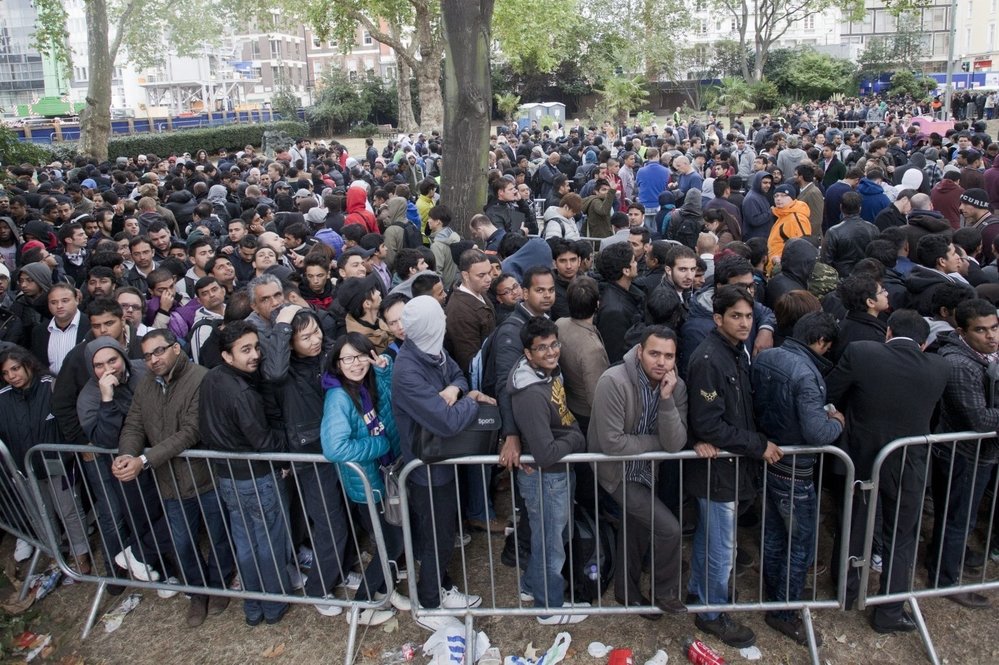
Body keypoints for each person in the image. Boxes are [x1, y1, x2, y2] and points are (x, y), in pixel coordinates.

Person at [826, 310, 949, 633]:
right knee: (902, 536)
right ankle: (890, 610)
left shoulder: (862, 353)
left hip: (862, 456)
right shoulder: (939, 367)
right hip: (909, 460)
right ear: (924, 343)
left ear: (888, 332)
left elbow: (831, 392)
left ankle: (846, 591)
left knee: (854, 523)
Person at [114, 329, 234, 628]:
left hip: (206, 477)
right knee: (182, 542)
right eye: (147, 356)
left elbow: (192, 431)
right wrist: (126, 454)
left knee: (219, 536)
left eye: (159, 351)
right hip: (170, 481)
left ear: (176, 348)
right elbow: (133, 425)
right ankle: (198, 592)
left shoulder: (201, 378)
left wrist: (144, 460)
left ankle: (219, 585)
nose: (154, 360)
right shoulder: (146, 386)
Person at [685, 285, 783, 648]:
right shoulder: (708, 359)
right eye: (736, 316)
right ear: (717, 318)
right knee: (722, 549)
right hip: (718, 473)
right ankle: (712, 614)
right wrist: (758, 445)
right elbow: (708, 424)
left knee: (711, 540)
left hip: (730, 469)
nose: (744, 323)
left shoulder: (735, 350)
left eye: (748, 316)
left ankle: (699, 592)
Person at [391, 296, 494, 632]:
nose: (446, 321)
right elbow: (447, 422)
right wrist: (472, 402)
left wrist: (454, 391)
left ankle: (440, 586)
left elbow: (459, 376)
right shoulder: (407, 370)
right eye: (440, 318)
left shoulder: (433, 350)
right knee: (437, 537)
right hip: (426, 468)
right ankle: (429, 602)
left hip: (443, 458)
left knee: (444, 532)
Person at [751, 312, 844, 646]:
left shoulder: (767, 357)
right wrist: (837, 421)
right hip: (795, 470)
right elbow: (817, 432)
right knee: (800, 544)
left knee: (774, 532)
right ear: (820, 342)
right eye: (828, 346)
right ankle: (785, 611)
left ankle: (774, 592)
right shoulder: (806, 374)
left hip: (770, 459)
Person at [589, 325, 688, 618]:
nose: (661, 362)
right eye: (654, 354)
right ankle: (665, 592)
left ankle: (627, 593)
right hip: (616, 472)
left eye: (668, 356)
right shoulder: (613, 381)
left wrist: (666, 400)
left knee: (636, 528)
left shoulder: (676, 386)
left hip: (645, 470)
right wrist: (656, 444)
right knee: (669, 528)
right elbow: (612, 443)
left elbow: (675, 443)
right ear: (640, 352)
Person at [199, 321, 291, 626]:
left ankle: (253, 606)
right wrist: (286, 440)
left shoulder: (212, 379)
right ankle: (273, 605)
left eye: (256, 347)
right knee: (267, 542)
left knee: (245, 542)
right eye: (245, 350)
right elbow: (263, 441)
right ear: (227, 356)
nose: (255, 355)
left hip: (228, 477)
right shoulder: (241, 393)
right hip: (256, 477)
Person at [509, 316, 589, 624]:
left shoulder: (547, 373)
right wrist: (575, 438)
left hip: (555, 474)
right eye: (542, 348)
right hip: (546, 477)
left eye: (554, 344)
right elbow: (544, 454)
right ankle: (548, 607)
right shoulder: (531, 393)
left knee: (551, 538)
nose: (551, 352)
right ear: (528, 354)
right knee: (551, 545)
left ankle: (531, 585)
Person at [321, 331, 404, 626]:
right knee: (390, 544)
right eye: (348, 359)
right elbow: (334, 447)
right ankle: (362, 606)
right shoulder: (338, 397)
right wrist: (378, 445)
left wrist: (383, 370)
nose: (355, 364)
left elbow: (391, 402)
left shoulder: (367, 384)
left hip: (386, 475)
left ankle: (385, 591)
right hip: (367, 484)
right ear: (337, 363)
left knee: (392, 539)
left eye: (360, 356)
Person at [927, 299, 999, 608]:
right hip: (965, 454)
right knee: (958, 519)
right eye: (981, 330)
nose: (991, 336)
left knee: (957, 517)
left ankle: (945, 558)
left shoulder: (984, 355)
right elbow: (979, 420)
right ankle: (945, 578)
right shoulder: (960, 364)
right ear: (962, 332)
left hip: (977, 452)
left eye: (994, 327)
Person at [0, 347, 91, 574]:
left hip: (58, 464)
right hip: (24, 469)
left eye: (15, 368)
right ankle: (55, 555)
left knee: (69, 510)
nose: (12, 376)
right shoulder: (3, 398)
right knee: (40, 514)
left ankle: (80, 554)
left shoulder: (51, 386)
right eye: (6, 373)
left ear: (28, 365)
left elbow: (69, 420)